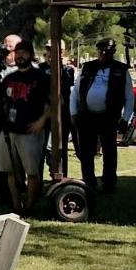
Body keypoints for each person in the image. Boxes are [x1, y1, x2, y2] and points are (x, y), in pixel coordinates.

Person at [70, 37, 134, 194]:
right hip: (87, 116)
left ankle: (109, 183)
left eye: (108, 52)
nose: (104, 54)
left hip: (109, 117)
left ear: (112, 53)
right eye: (101, 51)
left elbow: (129, 96)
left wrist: (126, 118)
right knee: (86, 152)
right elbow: (75, 92)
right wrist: (74, 112)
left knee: (109, 151)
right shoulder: (87, 67)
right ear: (98, 51)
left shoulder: (121, 70)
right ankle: (89, 181)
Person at [0, 41, 50, 212]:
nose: (20, 56)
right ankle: (15, 204)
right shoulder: (9, 78)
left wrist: (42, 120)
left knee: (32, 172)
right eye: (17, 53)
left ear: (31, 54)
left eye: (24, 52)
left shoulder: (40, 77)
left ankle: (30, 205)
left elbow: (56, 101)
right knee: (10, 171)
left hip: (29, 132)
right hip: (8, 132)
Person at [41, 40, 75, 177]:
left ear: (62, 52)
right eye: (49, 49)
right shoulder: (39, 69)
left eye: (55, 50)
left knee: (61, 149)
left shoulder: (68, 70)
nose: (51, 52)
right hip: (43, 116)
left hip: (62, 116)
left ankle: (61, 176)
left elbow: (68, 90)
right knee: (42, 149)